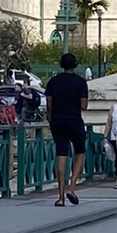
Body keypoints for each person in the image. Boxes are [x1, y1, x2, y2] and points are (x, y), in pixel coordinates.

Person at [44, 51, 90, 205]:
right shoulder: (80, 82)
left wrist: (51, 121)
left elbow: (49, 107)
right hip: (75, 120)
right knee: (80, 152)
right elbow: (83, 106)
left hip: (57, 121)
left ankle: (61, 197)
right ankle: (71, 187)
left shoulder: (53, 82)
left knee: (61, 154)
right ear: (75, 65)